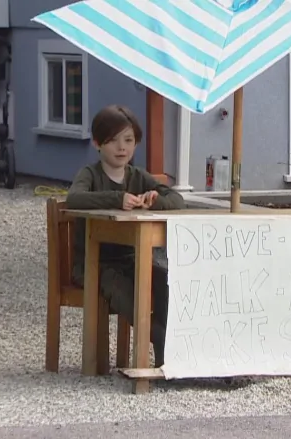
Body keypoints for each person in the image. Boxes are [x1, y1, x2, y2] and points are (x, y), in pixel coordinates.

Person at [66, 104, 185, 368]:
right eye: (112, 141)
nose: (121, 148)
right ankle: (166, 342)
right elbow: (74, 198)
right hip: (94, 265)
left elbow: (177, 199)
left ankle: (166, 358)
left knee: (165, 279)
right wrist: (116, 198)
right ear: (97, 143)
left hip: (132, 261)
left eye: (128, 140)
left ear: (136, 143)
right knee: (126, 293)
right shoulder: (90, 174)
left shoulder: (138, 175)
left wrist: (155, 200)